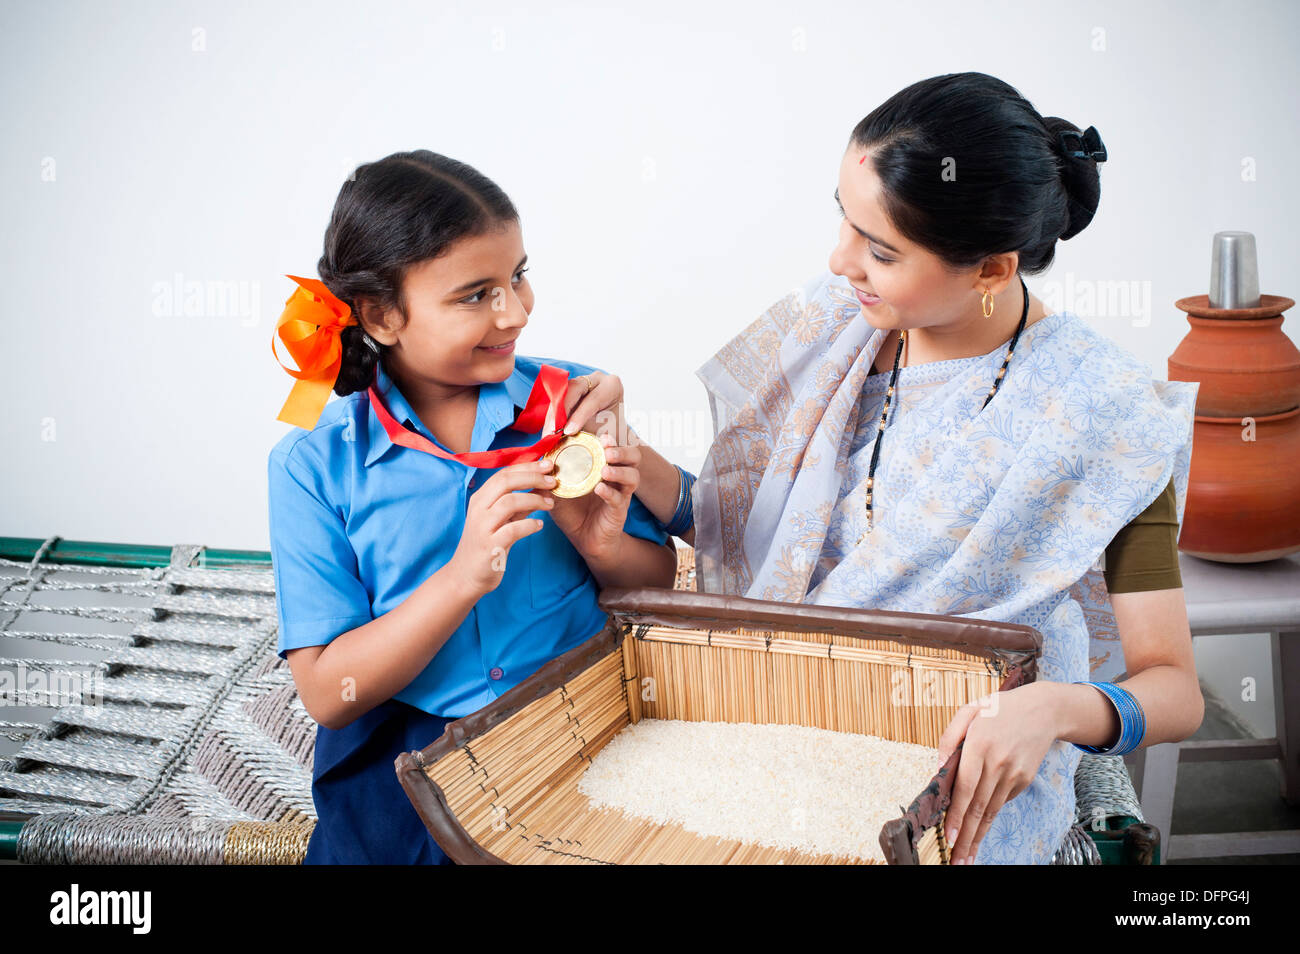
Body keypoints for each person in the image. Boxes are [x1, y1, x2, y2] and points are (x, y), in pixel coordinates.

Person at [567, 73, 1204, 864]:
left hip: (959, 780)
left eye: (880, 250)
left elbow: (1174, 690)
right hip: (782, 730)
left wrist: (1057, 711)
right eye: (843, 219)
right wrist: (646, 475)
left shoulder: (1097, 415)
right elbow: (769, 543)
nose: (841, 262)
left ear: (993, 270)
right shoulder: (827, 335)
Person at [266, 151, 678, 864]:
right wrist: (462, 577)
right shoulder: (314, 466)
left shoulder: (575, 402)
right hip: (405, 765)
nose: (514, 311)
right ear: (380, 315)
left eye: (518, 275)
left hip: (582, 734)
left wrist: (601, 545)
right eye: (475, 294)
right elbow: (331, 693)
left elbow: (658, 586)